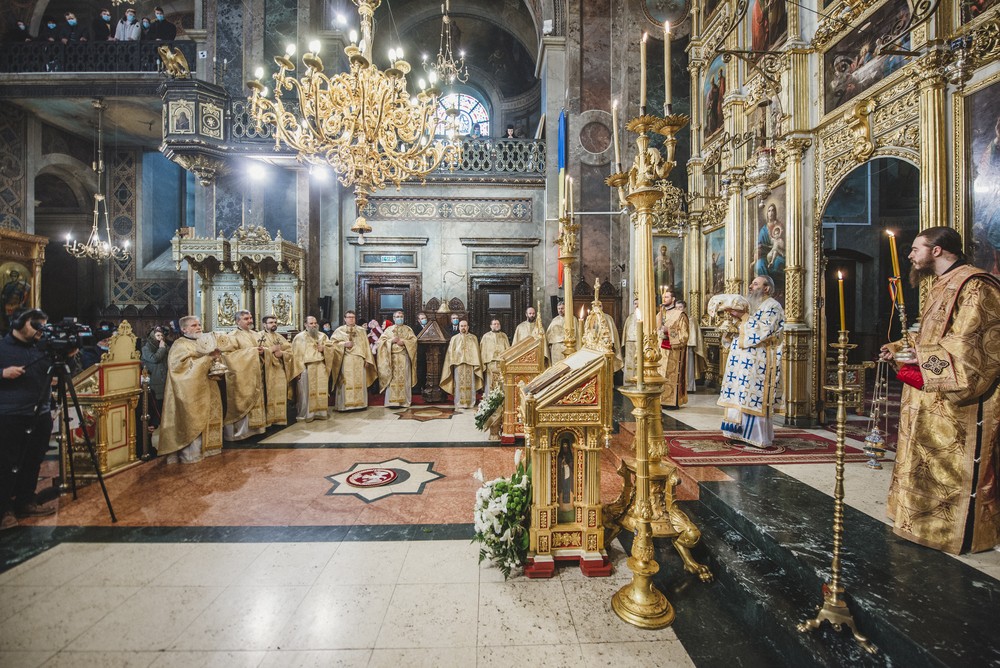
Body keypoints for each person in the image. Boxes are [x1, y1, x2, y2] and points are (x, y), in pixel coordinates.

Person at [879, 226, 1000, 554]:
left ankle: (949, 531)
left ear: (937, 250)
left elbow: (970, 351)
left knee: (950, 469)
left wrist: (915, 358)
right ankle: (916, 522)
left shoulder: (975, 286)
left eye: (916, 248)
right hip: (927, 398)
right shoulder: (939, 285)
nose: (910, 255)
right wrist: (900, 350)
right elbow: (929, 340)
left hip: (958, 404)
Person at [0, 309, 58, 529]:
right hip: (9, 415)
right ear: (20, 323)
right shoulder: (2, 347)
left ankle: (26, 501)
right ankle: (3, 509)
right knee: (6, 463)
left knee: (33, 461)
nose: (39, 331)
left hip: (39, 414)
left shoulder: (40, 349)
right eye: (36, 325)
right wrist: (3, 373)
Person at [718, 275, 784, 448]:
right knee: (739, 393)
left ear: (766, 288)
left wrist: (743, 317)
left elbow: (764, 329)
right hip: (742, 360)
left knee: (753, 395)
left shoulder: (773, 306)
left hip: (759, 360)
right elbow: (742, 328)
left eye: (755, 284)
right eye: (752, 283)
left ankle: (756, 436)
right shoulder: (751, 306)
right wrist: (733, 323)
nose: (750, 286)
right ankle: (736, 432)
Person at [158, 315, 234, 464]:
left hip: (209, 386)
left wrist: (217, 359)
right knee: (193, 419)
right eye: (193, 325)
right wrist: (208, 359)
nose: (198, 327)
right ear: (184, 329)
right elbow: (180, 369)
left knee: (209, 417)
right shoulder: (180, 345)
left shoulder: (203, 342)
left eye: (199, 324)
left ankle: (209, 449)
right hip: (189, 391)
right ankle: (191, 454)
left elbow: (214, 360)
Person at [221, 310, 266, 442]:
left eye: (251, 317)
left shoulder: (255, 334)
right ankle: (241, 432)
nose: (250, 320)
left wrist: (264, 352)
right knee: (242, 401)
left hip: (257, 373)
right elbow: (228, 356)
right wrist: (252, 352)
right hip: (241, 376)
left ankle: (257, 429)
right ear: (237, 321)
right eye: (246, 318)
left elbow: (264, 349)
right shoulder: (232, 336)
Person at [330, 310, 377, 412]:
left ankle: (360, 404)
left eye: (353, 317)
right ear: (345, 318)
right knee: (346, 383)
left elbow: (366, 346)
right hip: (345, 361)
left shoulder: (361, 330)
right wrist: (343, 344)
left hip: (360, 361)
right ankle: (345, 405)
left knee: (360, 381)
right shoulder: (339, 331)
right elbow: (332, 345)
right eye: (349, 317)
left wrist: (368, 359)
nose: (351, 319)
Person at [289, 316, 333, 422]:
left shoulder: (322, 336)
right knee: (305, 392)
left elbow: (331, 348)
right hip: (306, 368)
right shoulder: (299, 337)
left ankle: (320, 412)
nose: (314, 325)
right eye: (311, 323)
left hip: (320, 366)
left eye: (315, 323)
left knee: (320, 390)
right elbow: (295, 355)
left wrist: (324, 349)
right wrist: (297, 371)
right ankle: (306, 414)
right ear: (305, 324)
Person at [375, 311, 418, 407]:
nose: (400, 318)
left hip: (404, 357)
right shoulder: (388, 330)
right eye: (397, 316)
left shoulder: (408, 329)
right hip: (392, 358)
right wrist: (391, 341)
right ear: (394, 318)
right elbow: (380, 342)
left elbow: (414, 341)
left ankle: (404, 402)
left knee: (405, 379)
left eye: (401, 316)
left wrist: (404, 342)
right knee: (392, 379)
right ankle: (392, 402)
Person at [440, 319, 483, 408]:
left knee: (470, 383)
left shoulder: (473, 338)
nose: (463, 328)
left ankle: (470, 402)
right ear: (459, 328)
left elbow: (476, 352)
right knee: (458, 383)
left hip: (470, 364)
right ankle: (459, 402)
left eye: (465, 326)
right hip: (458, 364)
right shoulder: (454, 338)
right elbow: (450, 353)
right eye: (462, 326)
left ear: (468, 327)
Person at [658, 289, 689, 409]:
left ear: (673, 299)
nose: (664, 299)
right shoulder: (659, 314)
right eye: (663, 297)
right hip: (660, 351)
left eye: (667, 297)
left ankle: (671, 402)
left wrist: (669, 331)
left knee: (670, 376)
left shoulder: (680, 315)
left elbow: (684, 335)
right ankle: (660, 399)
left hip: (673, 352)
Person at [259, 315, 291, 426]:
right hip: (267, 370)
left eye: (275, 322)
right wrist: (271, 351)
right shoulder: (259, 336)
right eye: (271, 322)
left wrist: (282, 354)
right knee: (269, 394)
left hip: (280, 369)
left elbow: (290, 351)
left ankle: (279, 418)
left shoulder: (280, 337)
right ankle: (269, 420)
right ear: (264, 324)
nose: (274, 324)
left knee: (280, 392)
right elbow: (258, 352)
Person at [141, 326, 169, 431]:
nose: (160, 338)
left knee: (163, 402)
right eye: (157, 335)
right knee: (155, 402)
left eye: (162, 335)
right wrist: (162, 349)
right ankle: (154, 423)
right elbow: (154, 359)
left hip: (164, 378)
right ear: (152, 336)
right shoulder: (146, 348)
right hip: (154, 379)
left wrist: (164, 348)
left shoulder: (164, 346)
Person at [678, 300, 705, 393]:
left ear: (685, 308)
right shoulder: (675, 318)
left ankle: (689, 387)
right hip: (677, 346)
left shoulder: (691, 319)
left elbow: (693, 334)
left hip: (688, 346)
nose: (678, 310)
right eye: (677, 308)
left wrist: (687, 342)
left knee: (688, 367)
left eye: (680, 307)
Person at [480, 317, 510, 397]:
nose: (496, 325)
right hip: (491, 363)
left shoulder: (504, 336)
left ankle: (501, 400)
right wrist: (483, 363)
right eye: (494, 324)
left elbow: (508, 349)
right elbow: (483, 350)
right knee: (490, 383)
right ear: (491, 326)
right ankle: (489, 401)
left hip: (501, 363)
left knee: (501, 382)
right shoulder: (486, 336)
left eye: (498, 324)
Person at [622, 299, 640, 384]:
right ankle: (628, 382)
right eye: (635, 304)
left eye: (638, 304)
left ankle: (638, 381)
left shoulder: (644, 316)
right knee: (629, 363)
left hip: (640, 342)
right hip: (629, 342)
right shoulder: (630, 317)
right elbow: (626, 331)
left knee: (638, 362)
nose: (637, 305)